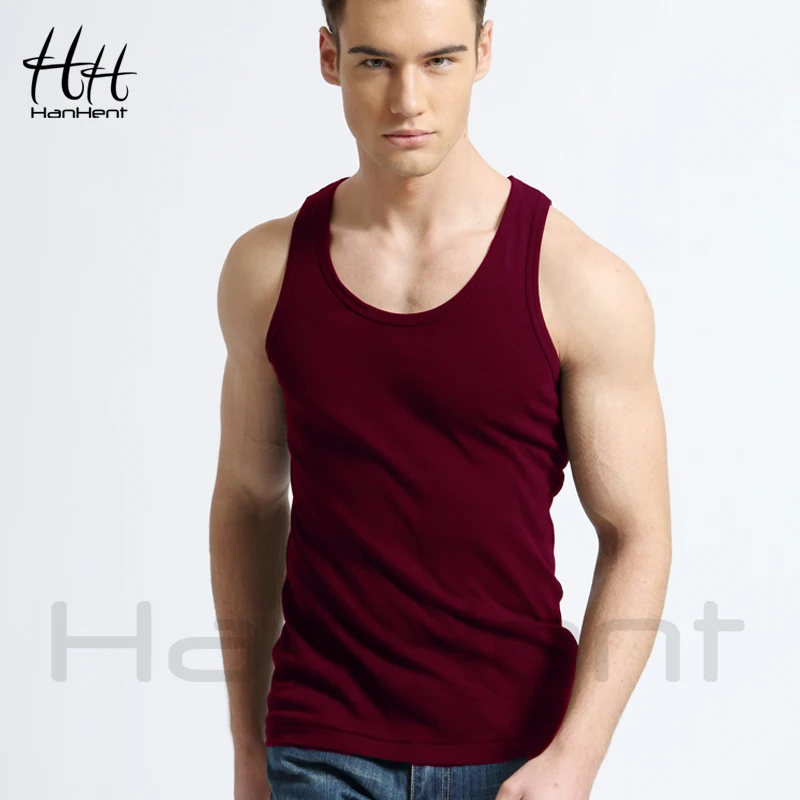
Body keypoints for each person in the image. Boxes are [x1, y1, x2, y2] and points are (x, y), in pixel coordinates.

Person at [210, 0, 672, 798]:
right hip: (321, 745)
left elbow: (638, 534)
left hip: (516, 755)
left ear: (484, 51)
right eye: (375, 62)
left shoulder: (579, 283)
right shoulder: (268, 271)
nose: (408, 101)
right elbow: (248, 502)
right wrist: (249, 750)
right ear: (329, 57)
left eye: (439, 61)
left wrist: (577, 757)